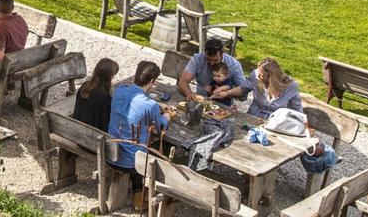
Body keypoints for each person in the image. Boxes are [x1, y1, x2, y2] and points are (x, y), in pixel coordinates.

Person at [107, 61, 172, 211]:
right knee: (161, 146)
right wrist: (168, 115)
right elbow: (159, 128)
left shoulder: (119, 90)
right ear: (152, 82)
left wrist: (156, 105)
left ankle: (138, 193)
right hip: (132, 161)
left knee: (134, 141)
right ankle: (145, 193)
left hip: (110, 151)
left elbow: (135, 103)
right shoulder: (150, 105)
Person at [177, 38, 253, 104]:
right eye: (208, 59)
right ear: (204, 53)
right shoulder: (198, 59)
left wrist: (226, 93)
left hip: (224, 104)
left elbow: (243, 91)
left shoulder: (233, 64)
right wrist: (189, 94)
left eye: (215, 60)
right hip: (200, 99)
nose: (212, 63)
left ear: (222, 54)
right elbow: (183, 82)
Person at [73, 58, 119, 132]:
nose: (113, 78)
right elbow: (105, 123)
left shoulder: (84, 86)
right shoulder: (104, 97)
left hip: (77, 130)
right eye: (112, 76)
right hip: (93, 137)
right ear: (108, 77)